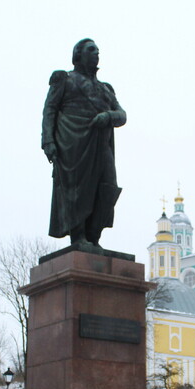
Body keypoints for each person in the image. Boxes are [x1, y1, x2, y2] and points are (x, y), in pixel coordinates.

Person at [42, 38, 127, 248]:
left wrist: (108, 116)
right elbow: (50, 110)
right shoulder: (65, 79)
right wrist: (48, 141)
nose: (97, 53)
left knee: (108, 188)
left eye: (98, 50)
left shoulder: (106, 89)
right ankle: (78, 236)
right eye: (91, 50)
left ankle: (94, 236)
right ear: (78, 54)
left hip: (101, 144)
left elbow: (122, 115)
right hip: (72, 142)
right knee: (76, 190)